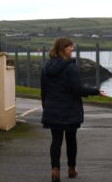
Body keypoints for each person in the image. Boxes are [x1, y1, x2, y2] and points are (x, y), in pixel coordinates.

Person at [41, 37, 104, 182]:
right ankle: (71, 169)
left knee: (56, 140)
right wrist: (96, 91)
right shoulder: (71, 66)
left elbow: (44, 91)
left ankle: (55, 170)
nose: (72, 49)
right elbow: (77, 89)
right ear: (63, 48)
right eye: (70, 47)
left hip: (53, 109)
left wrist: (46, 107)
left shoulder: (46, 66)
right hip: (70, 109)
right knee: (71, 140)